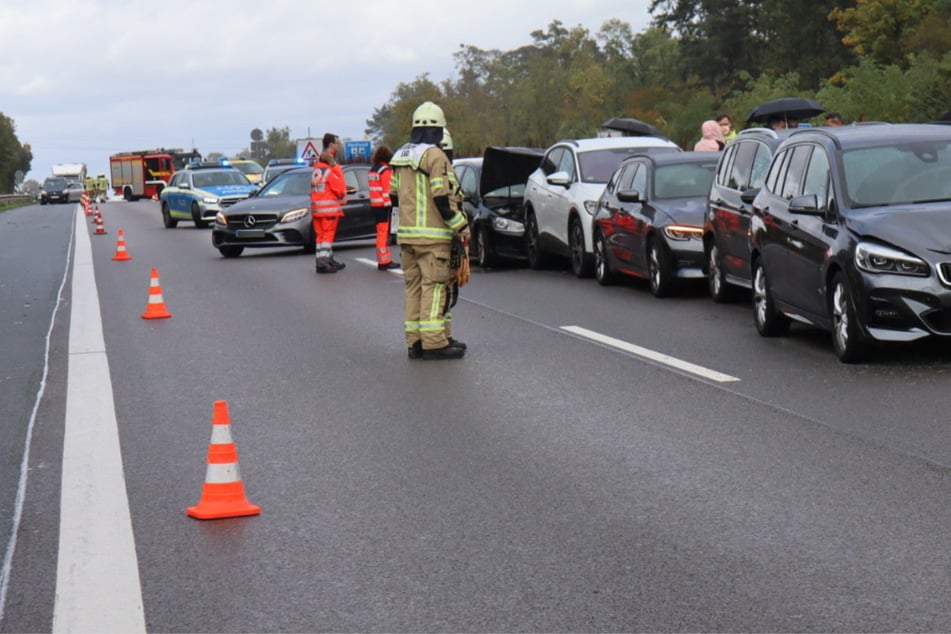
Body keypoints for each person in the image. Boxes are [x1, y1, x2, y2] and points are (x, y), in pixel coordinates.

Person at [390, 101, 470, 360]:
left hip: (406, 237)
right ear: (437, 130)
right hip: (433, 237)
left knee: (412, 288)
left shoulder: (401, 155)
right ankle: (435, 343)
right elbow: (441, 197)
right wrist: (461, 226)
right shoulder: (435, 156)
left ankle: (415, 342)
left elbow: (393, 197)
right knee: (435, 287)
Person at [310, 150, 347, 273]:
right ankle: (324, 264)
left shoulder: (315, 172)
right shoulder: (329, 172)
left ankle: (320, 262)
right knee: (327, 237)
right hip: (328, 211)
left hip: (316, 210)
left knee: (320, 237)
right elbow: (339, 189)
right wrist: (338, 171)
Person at [368, 145, 399, 270]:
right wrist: (390, 207)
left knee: (380, 233)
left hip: (375, 205)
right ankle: (384, 261)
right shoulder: (385, 171)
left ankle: (384, 259)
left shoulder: (373, 170)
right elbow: (387, 191)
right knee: (383, 234)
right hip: (383, 206)